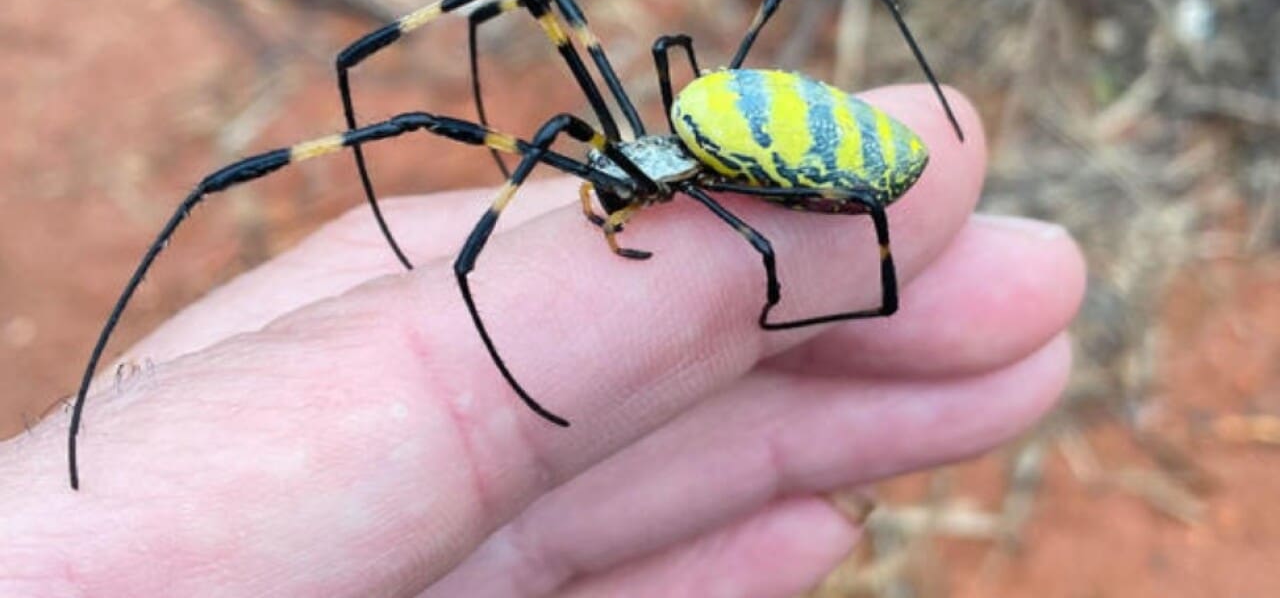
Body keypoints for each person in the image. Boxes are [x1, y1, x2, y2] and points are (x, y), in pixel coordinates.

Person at [0, 86, 1083, 596]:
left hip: (812, 168)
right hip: (751, 142)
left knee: (759, 261)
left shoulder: (723, 212)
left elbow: (779, 269)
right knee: (444, 121)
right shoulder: (637, 160)